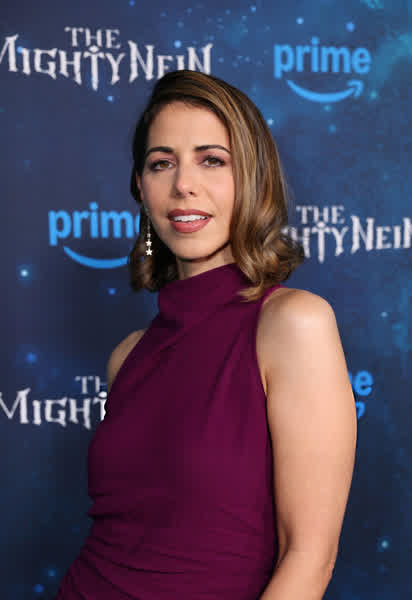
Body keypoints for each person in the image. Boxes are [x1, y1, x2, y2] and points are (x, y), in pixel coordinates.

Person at [56, 69, 357, 600]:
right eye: (162, 163)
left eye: (211, 160)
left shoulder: (293, 324)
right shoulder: (127, 356)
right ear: (142, 187)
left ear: (253, 180)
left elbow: (310, 558)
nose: (183, 185)